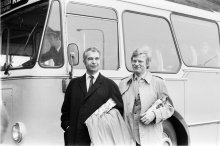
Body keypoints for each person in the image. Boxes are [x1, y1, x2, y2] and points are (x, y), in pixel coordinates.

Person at [61, 47, 127, 146]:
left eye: (96, 59)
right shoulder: (74, 84)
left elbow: (118, 112)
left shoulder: (110, 85)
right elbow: (65, 110)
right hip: (75, 137)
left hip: (99, 138)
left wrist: (104, 129)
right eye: (90, 59)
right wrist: (67, 126)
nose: (94, 62)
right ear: (84, 61)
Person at [119, 46, 174, 146]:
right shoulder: (123, 83)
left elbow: (169, 108)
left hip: (149, 137)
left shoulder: (158, 82)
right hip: (128, 137)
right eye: (134, 61)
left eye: (140, 61)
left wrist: (154, 114)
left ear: (147, 63)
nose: (136, 64)